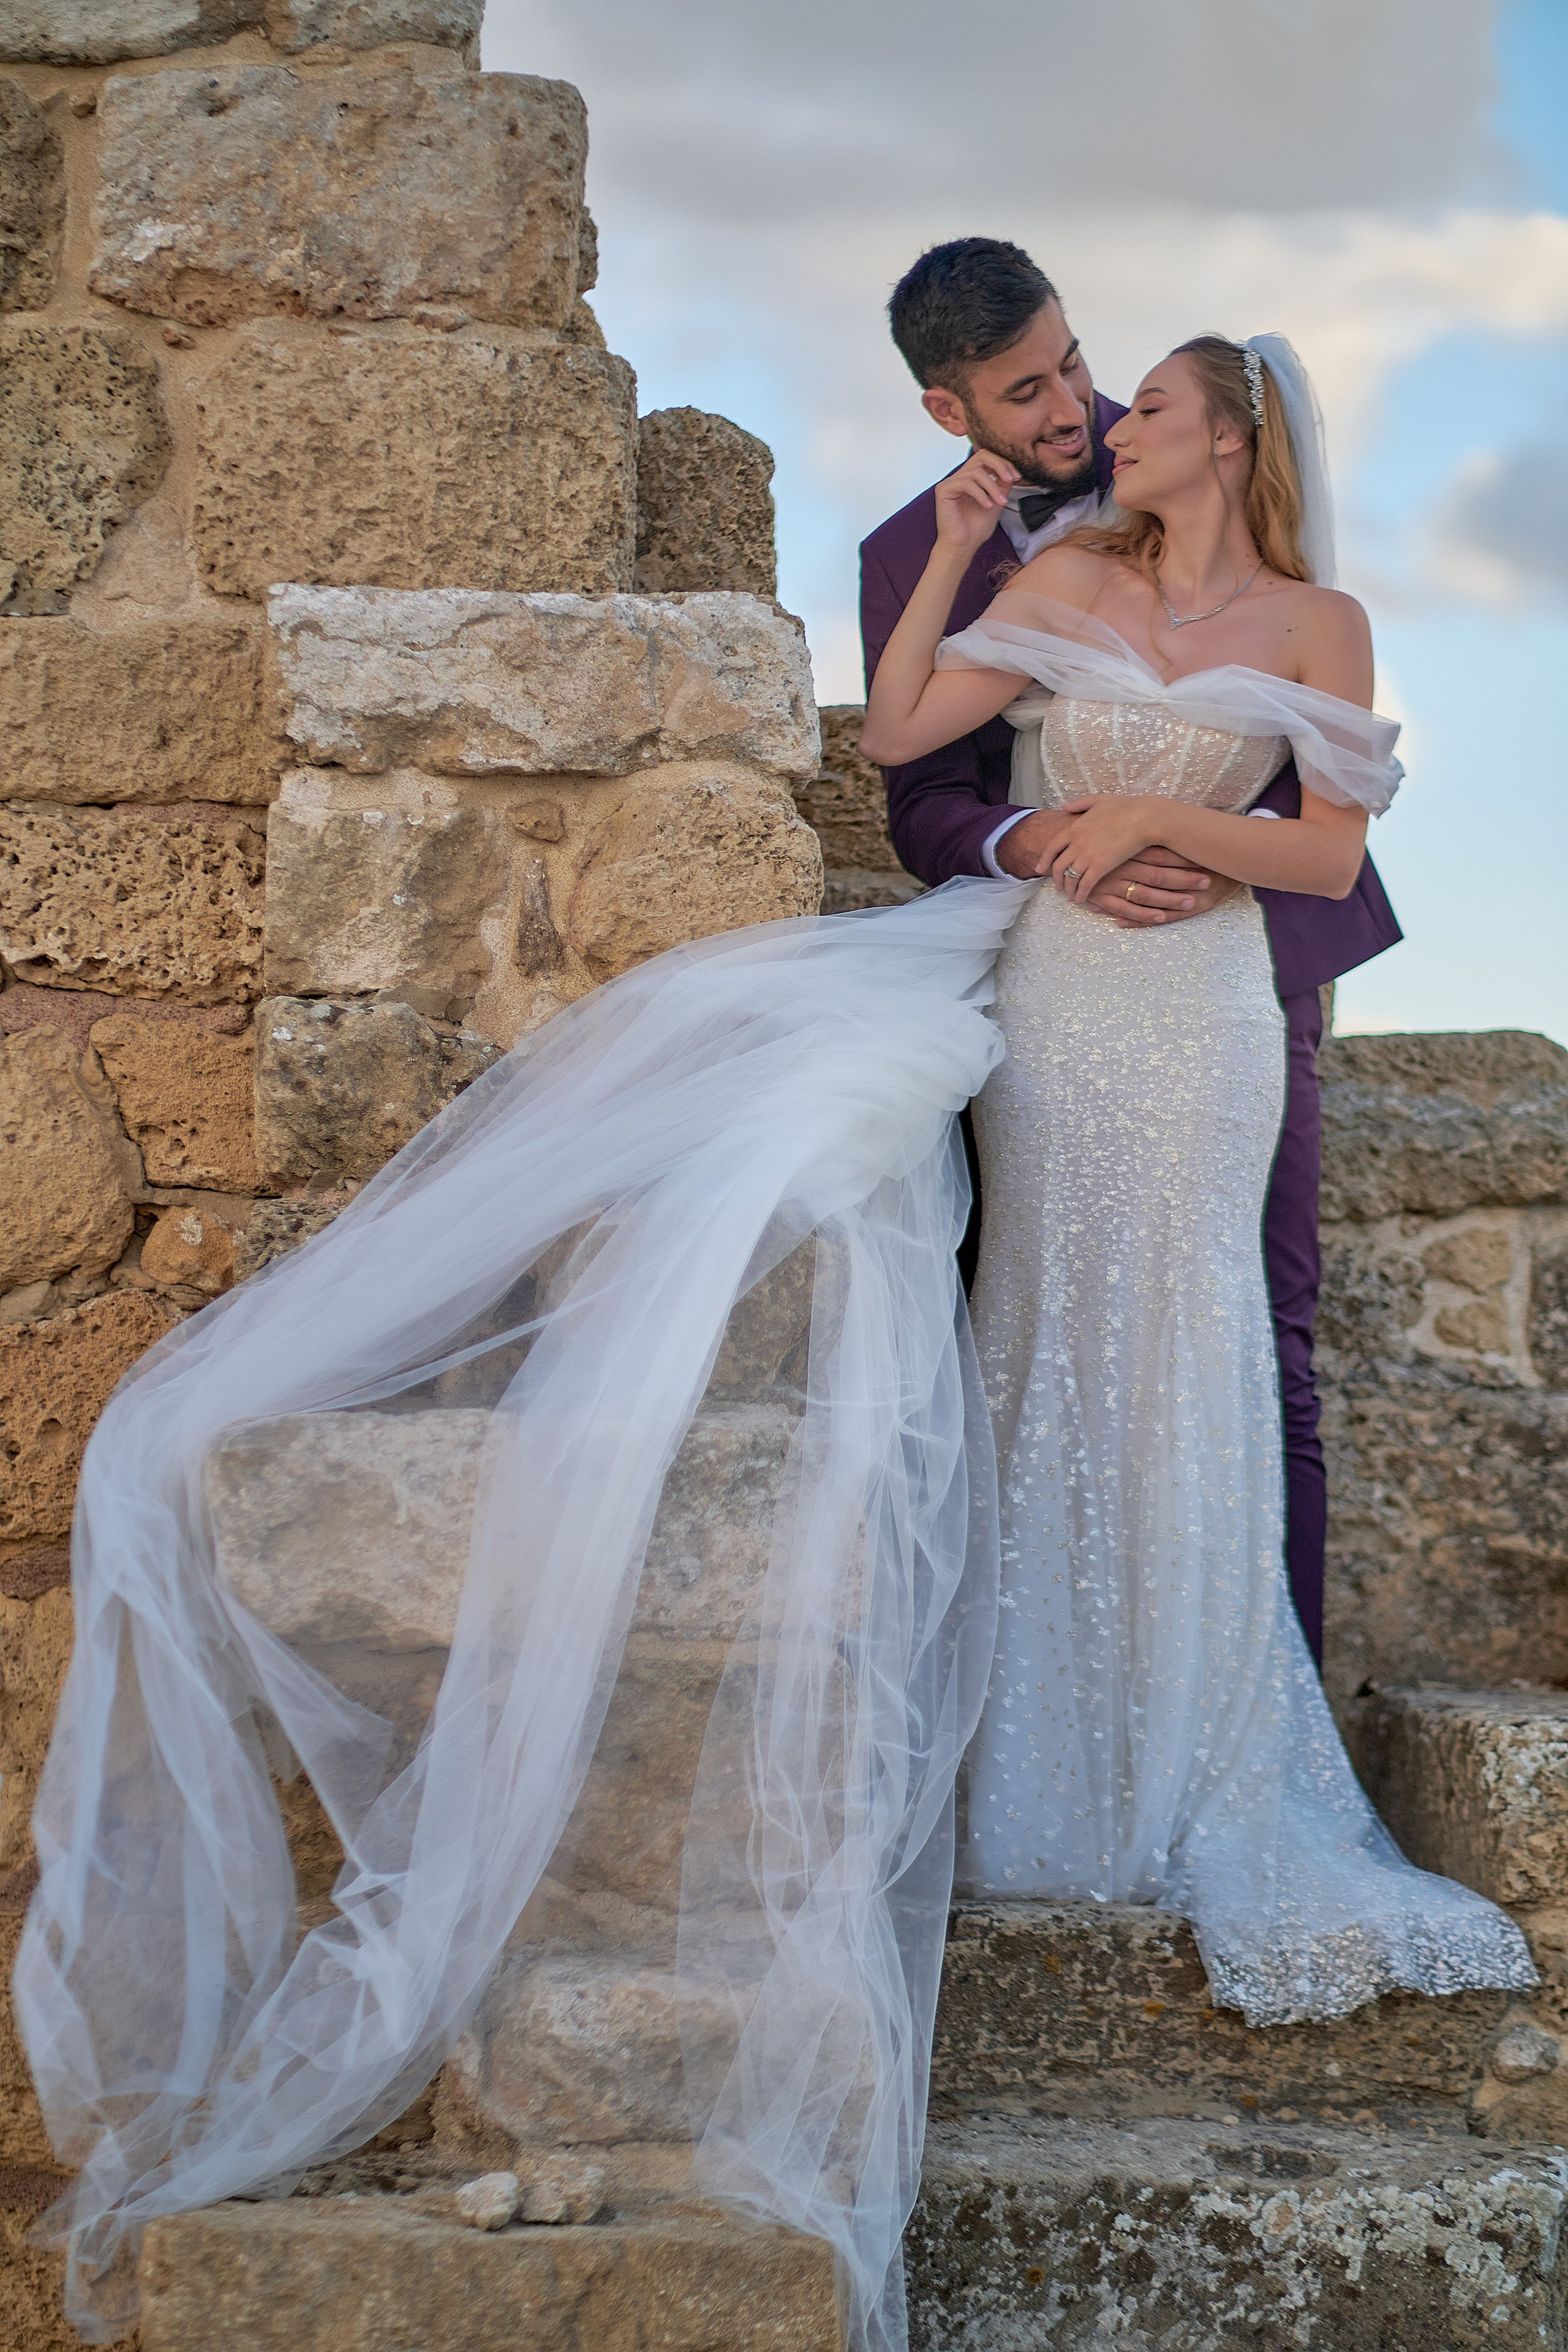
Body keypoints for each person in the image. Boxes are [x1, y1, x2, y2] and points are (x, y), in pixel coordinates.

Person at [18, 336, 1531, 2352]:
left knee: (1191, 1358)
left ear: (1233, 440)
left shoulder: (1320, 617)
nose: (1122, 425)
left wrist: (1147, 846)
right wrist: (999, 685)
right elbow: (913, 721)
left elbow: (1328, 858)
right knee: (1041, 1347)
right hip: (1070, 1021)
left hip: (1208, 1027)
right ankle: (1037, 1769)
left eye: (1155, 403)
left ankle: (1204, 1764)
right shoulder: (1062, 583)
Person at [859, 238, 1402, 1664]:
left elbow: (1316, 798)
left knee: (1261, 1331)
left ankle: (1259, 1704)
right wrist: (1039, 841)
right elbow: (914, 783)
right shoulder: (931, 553)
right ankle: (1024, 1691)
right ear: (950, 410)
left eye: (1080, 365)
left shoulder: (1212, 495)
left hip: (1242, 959)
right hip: (1059, 975)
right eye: (1028, 390)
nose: (1079, 411)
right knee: (1032, 1317)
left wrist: (1178, 827)